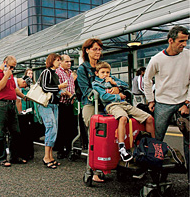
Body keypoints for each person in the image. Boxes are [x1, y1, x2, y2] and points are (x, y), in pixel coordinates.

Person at [144, 25, 189, 175]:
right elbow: (147, 80)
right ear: (171, 40)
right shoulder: (157, 59)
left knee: (189, 141)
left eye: (186, 41)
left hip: (183, 103)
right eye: (181, 41)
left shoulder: (188, 56)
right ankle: (155, 174)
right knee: (157, 139)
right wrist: (151, 100)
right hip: (163, 103)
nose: (184, 44)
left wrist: (187, 102)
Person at [92, 61, 155, 161]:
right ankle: (122, 148)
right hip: (111, 105)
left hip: (124, 104)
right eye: (103, 72)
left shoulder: (112, 79)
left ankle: (152, 146)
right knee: (123, 118)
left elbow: (126, 85)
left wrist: (114, 83)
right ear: (97, 73)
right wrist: (118, 96)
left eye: (107, 72)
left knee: (149, 118)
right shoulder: (96, 84)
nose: (105, 75)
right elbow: (104, 97)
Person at [77, 38, 108, 183]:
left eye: (100, 49)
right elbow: (86, 90)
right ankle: (92, 169)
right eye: (95, 49)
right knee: (94, 138)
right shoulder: (82, 69)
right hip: (90, 104)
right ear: (87, 50)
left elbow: (109, 81)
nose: (98, 52)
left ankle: (106, 165)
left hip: (104, 104)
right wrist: (104, 93)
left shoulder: (103, 66)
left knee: (109, 136)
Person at [0, 55, 27, 167]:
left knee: (15, 131)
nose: (12, 70)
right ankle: (2, 158)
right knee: (0, 132)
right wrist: (6, 76)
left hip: (11, 104)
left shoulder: (10, 74)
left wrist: (24, 96)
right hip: (0, 104)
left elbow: (14, 89)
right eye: (11, 67)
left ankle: (14, 156)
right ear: (5, 63)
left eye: (14, 67)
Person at [38, 53, 68, 169]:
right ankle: (46, 157)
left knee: (53, 130)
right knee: (51, 128)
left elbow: (52, 89)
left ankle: (50, 156)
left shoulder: (55, 74)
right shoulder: (47, 72)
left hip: (54, 104)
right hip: (46, 104)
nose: (59, 62)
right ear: (52, 61)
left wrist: (61, 91)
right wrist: (60, 87)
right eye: (57, 60)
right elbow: (45, 87)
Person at [54, 54, 77, 159]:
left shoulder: (71, 73)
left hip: (70, 104)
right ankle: (60, 150)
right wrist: (69, 94)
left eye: (70, 61)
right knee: (61, 128)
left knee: (70, 128)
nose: (69, 63)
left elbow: (72, 86)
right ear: (61, 62)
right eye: (67, 61)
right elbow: (58, 88)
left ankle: (69, 148)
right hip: (61, 104)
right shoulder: (58, 72)